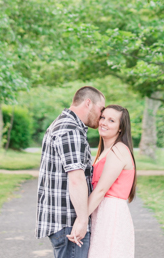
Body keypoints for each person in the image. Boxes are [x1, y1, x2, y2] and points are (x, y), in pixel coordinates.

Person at [36, 86, 106, 258]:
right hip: (70, 222)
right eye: (101, 109)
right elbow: (76, 179)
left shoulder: (62, 124)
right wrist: (82, 221)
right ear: (88, 103)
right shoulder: (70, 130)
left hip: (64, 221)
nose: (102, 115)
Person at [83, 104, 137, 258]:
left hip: (111, 214)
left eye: (111, 120)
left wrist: (80, 220)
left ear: (120, 128)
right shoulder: (105, 151)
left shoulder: (118, 150)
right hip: (101, 213)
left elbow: (100, 191)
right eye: (103, 117)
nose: (104, 122)